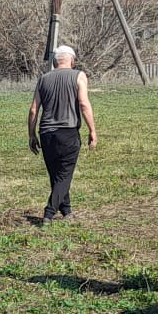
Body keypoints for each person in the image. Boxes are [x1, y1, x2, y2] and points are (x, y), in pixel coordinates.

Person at [27, 47, 97, 222]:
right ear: (72, 61)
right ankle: (49, 213)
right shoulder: (78, 76)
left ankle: (66, 211)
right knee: (64, 175)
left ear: (54, 62)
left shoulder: (43, 79)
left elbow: (34, 109)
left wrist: (32, 134)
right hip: (68, 131)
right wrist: (92, 130)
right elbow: (84, 104)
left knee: (56, 175)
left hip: (46, 133)